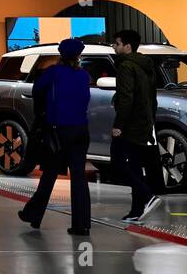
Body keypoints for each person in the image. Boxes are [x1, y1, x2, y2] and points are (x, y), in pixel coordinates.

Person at [18, 38, 93, 234]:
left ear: (61, 54)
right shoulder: (84, 76)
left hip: (58, 131)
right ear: (78, 56)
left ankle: (33, 215)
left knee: (49, 174)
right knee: (79, 178)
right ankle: (82, 224)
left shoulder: (53, 73)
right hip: (81, 131)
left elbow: (37, 91)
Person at [111, 29, 163, 222]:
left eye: (116, 43)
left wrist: (119, 124)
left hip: (130, 124)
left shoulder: (126, 67)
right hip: (145, 122)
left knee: (119, 163)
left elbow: (126, 97)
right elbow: (152, 97)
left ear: (127, 46)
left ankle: (148, 197)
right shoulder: (147, 66)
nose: (114, 47)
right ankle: (136, 210)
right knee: (135, 165)